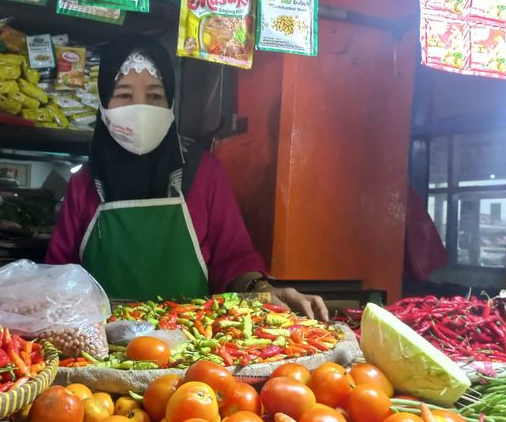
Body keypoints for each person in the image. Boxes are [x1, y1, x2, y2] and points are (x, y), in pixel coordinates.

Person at [46, 35, 328, 320]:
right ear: (104, 103)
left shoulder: (203, 172)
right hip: (100, 347)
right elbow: (59, 276)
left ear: (170, 103)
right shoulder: (85, 182)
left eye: (155, 96)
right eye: (124, 95)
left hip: (193, 345)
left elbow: (233, 260)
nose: (141, 109)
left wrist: (263, 289)